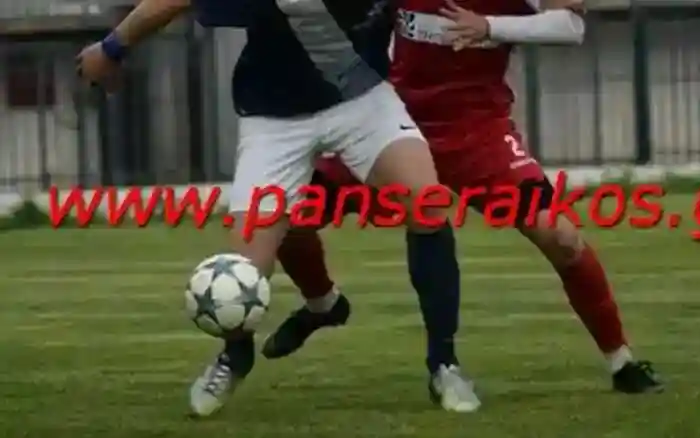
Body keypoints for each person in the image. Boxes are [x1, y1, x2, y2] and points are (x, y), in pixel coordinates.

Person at [76, 0, 478, 416]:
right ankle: (236, 355)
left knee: (426, 203)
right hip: (274, 118)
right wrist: (111, 48)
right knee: (244, 269)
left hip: (362, 101)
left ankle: (444, 364)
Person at [265, 0, 663, 407]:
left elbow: (570, 27)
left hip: (477, 132)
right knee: (289, 219)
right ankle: (323, 304)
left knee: (560, 237)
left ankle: (621, 361)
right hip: (392, 123)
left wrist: (489, 27)